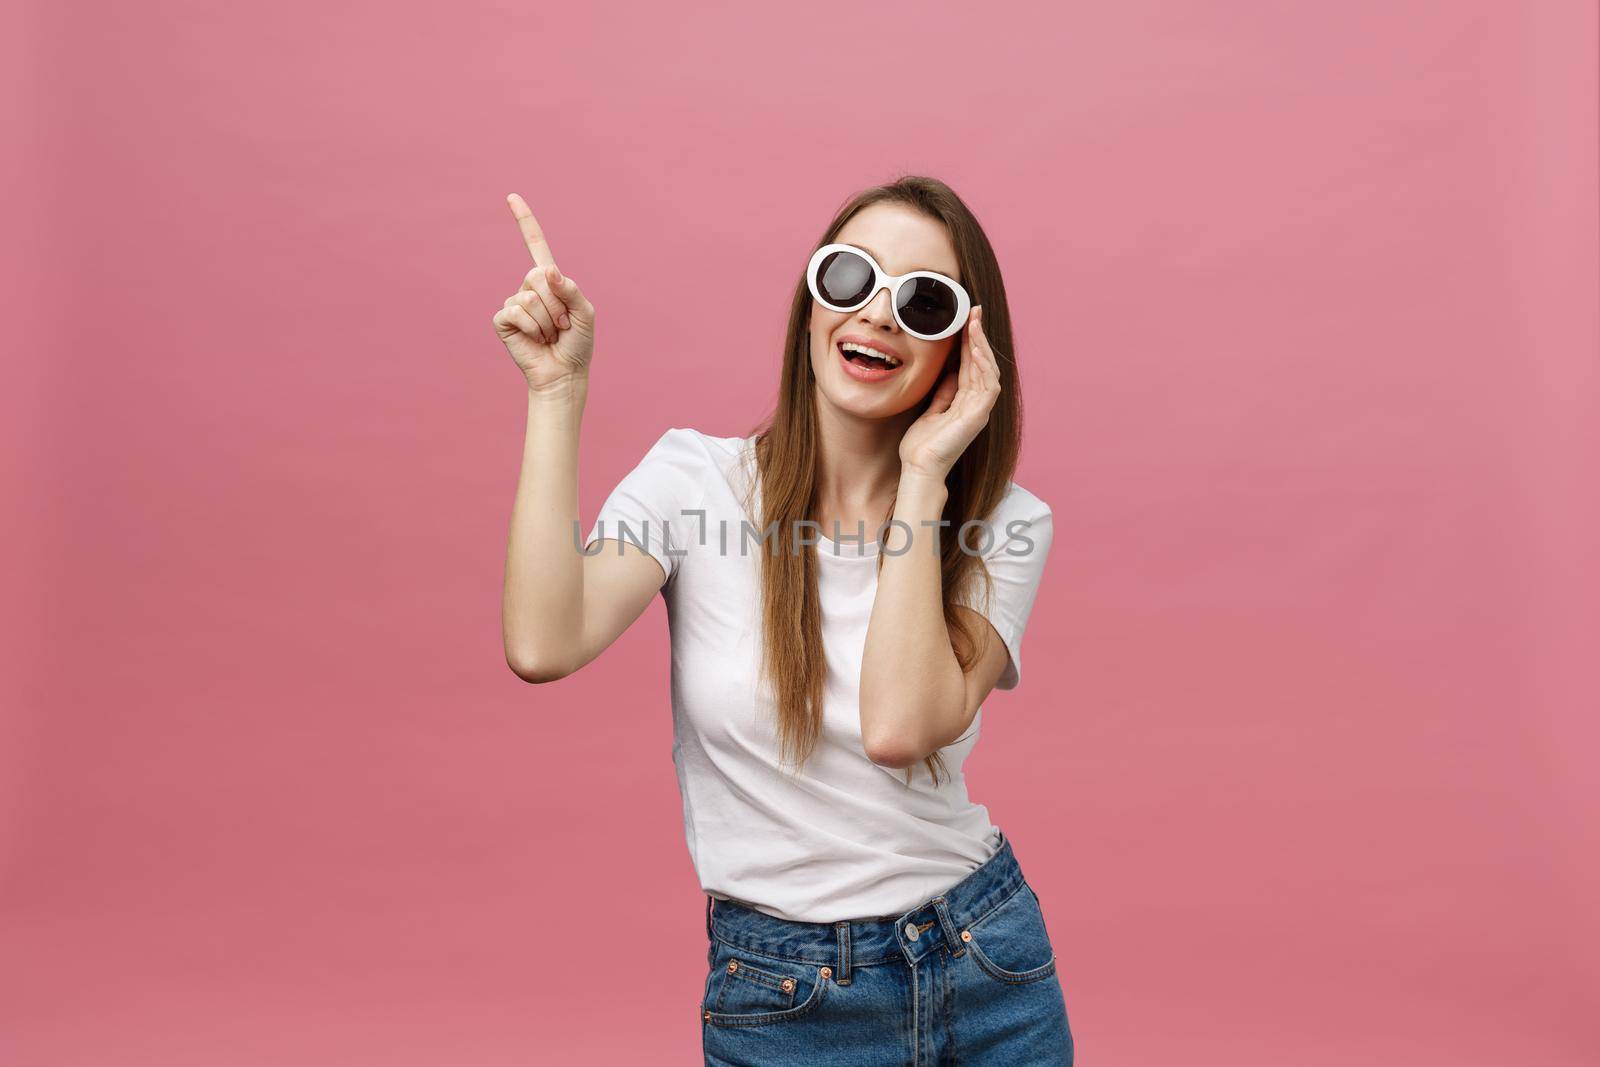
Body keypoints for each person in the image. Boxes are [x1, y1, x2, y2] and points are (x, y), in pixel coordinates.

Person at [494, 174, 1073, 1064]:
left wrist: (925, 477)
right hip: (785, 992)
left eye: (923, 301)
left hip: (983, 963)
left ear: (964, 348)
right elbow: (541, 643)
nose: (877, 314)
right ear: (811, 301)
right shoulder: (695, 484)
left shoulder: (1005, 522)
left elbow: (898, 725)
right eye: (851, 277)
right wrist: (555, 393)